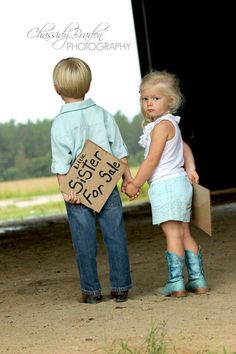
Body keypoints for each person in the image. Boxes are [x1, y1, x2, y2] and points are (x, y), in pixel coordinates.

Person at [51, 57, 132, 304]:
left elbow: (61, 165)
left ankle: (91, 292)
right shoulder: (103, 115)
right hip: (107, 186)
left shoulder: (60, 123)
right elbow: (120, 152)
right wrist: (128, 180)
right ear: (88, 85)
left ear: (56, 88)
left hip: (78, 190)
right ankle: (120, 288)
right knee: (115, 235)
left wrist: (67, 191)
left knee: (83, 241)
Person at [125, 70, 208, 297]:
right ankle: (198, 280)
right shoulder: (172, 124)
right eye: (145, 98)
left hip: (165, 185)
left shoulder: (161, 127)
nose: (149, 103)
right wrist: (190, 168)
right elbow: (184, 147)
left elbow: (152, 160)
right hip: (180, 183)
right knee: (184, 231)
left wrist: (136, 184)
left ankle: (176, 282)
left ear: (170, 101)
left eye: (156, 98)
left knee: (172, 233)